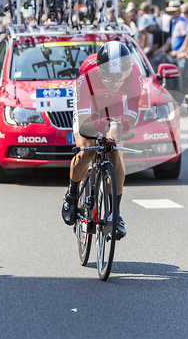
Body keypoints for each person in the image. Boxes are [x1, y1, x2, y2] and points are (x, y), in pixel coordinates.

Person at [62, 42, 143, 239]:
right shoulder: (87, 73)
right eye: (109, 75)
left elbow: (130, 120)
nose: (115, 81)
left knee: (115, 151)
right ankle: (71, 195)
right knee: (86, 151)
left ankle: (115, 213)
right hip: (90, 103)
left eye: (120, 76)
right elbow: (83, 124)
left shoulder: (134, 75)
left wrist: (122, 125)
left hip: (113, 106)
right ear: (100, 70)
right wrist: (95, 126)